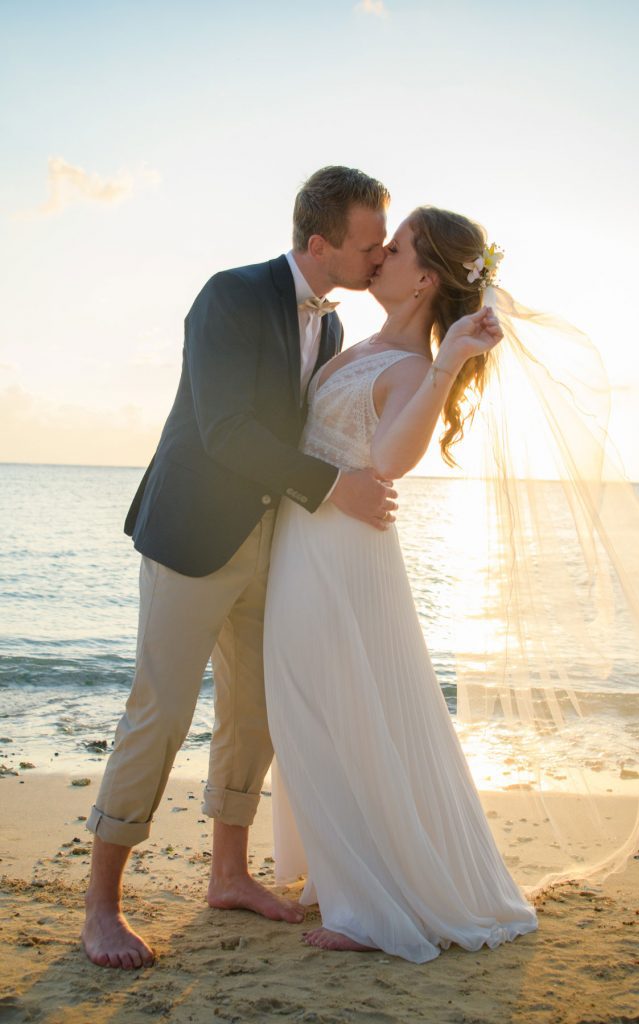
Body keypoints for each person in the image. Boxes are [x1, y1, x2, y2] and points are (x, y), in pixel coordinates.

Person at [81, 166, 400, 970]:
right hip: (193, 534)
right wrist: (335, 488)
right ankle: (101, 908)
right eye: (369, 244)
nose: (380, 256)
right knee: (160, 713)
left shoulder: (331, 326)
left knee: (254, 712)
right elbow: (224, 429)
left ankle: (228, 874)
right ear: (319, 243)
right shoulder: (229, 295)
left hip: (274, 545)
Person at [263, 207, 539, 963]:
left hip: (340, 556)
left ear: (423, 280)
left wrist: (448, 363)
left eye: (398, 245)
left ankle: (370, 907)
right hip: (305, 542)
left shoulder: (414, 368)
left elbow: (387, 460)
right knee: (313, 706)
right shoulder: (359, 344)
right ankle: (344, 870)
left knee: (340, 708)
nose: (380, 253)